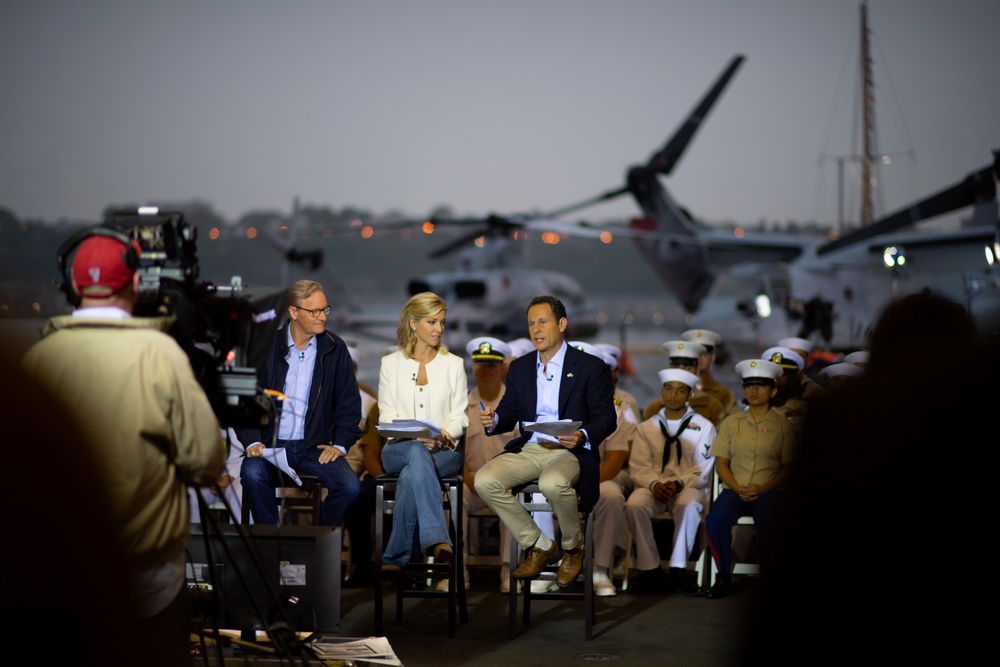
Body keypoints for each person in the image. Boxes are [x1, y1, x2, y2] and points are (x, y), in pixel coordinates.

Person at [21, 234, 225, 667]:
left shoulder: (38, 358)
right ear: (135, 283)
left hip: (60, 584)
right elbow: (206, 462)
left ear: (73, 287)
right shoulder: (159, 353)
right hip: (151, 584)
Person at [474, 296, 617, 588]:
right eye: (531, 323)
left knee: (553, 484)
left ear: (561, 324)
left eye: (542, 322)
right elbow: (510, 411)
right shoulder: (520, 367)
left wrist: (582, 436)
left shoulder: (590, 366)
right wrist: (495, 420)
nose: (536, 329)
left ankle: (572, 548)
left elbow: (606, 417)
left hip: (569, 450)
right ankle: (540, 544)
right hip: (529, 447)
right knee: (484, 480)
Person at [238, 279, 362, 528]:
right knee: (251, 475)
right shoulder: (265, 345)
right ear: (293, 312)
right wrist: (252, 439)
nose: (322, 317)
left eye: (325, 309)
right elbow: (244, 398)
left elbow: (349, 404)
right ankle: (273, 546)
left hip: (314, 448)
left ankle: (312, 544)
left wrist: (340, 444)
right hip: (269, 445)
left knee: (349, 487)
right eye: (314, 311)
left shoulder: (335, 349)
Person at [378, 292, 468, 569]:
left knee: (411, 474)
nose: (439, 329)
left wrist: (442, 436)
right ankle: (438, 538)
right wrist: (416, 436)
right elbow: (387, 416)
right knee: (415, 451)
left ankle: (396, 555)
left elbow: (460, 417)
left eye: (442, 322)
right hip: (398, 449)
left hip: (444, 451)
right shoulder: (390, 364)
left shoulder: (454, 364)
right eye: (432, 322)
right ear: (413, 324)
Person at [704, 358, 796, 599]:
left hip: (769, 490)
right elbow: (721, 463)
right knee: (715, 520)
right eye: (749, 385)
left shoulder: (783, 425)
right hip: (736, 489)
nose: (754, 390)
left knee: (770, 523)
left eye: (761, 385)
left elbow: (788, 467)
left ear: (773, 390)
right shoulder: (731, 423)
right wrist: (737, 487)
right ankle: (723, 576)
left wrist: (762, 488)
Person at [626, 369, 716, 594]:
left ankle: (678, 569)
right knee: (634, 505)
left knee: (689, 504)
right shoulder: (647, 427)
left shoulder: (704, 427)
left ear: (689, 395)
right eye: (668, 388)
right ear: (661, 393)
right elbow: (639, 466)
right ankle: (651, 569)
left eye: (680, 390)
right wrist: (655, 484)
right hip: (653, 486)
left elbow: (703, 467)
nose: (673, 394)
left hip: (687, 486)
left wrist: (678, 484)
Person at [680, 329, 737, 416]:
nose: (699, 358)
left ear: (712, 357)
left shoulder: (724, 395)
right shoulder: (675, 391)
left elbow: (733, 426)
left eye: (703, 354)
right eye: (695, 353)